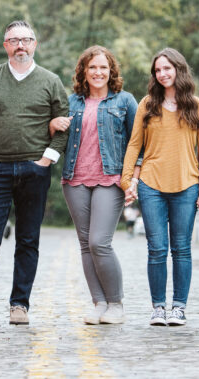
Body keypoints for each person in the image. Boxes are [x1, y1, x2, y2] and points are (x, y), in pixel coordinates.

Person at [0, 20, 69, 327]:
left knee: (28, 239)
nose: (20, 45)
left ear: (35, 44)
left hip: (35, 170)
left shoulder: (50, 81)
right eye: (14, 40)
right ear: (5, 45)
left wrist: (47, 159)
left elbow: (63, 123)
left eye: (26, 40)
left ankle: (19, 304)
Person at [121, 48, 199, 326]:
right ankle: (158, 307)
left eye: (167, 69)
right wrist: (127, 180)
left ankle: (179, 308)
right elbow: (135, 143)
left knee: (182, 248)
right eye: (158, 70)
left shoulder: (197, 106)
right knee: (157, 249)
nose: (162, 74)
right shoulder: (147, 104)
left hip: (187, 185)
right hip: (151, 185)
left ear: (179, 69)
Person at [49, 46, 138, 325]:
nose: (98, 72)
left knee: (100, 242)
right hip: (74, 178)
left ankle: (116, 304)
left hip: (110, 178)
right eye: (92, 68)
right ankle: (99, 304)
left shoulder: (125, 101)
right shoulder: (71, 102)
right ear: (83, 72)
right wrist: (52, 125)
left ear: (111, 71)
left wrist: (133, 178)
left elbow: (138, 143)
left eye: (103, 67)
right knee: (86, 244)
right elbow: (54, 138)